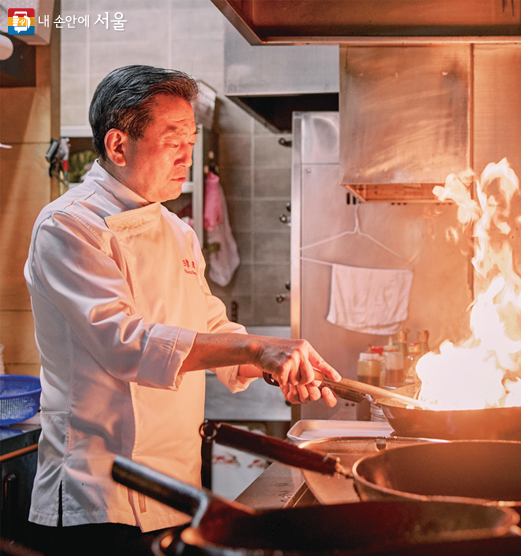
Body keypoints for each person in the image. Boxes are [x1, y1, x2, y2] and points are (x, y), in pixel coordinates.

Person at [23, 65, 340, 556]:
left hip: (173, 489)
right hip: (97, 499)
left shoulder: (177, 230)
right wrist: (259, 346)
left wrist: (272, 365)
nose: (187, 155)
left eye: (190, 140)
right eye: (173, 140)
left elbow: (208, 325)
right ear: (118, 145)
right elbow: (124, 343)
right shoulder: (68, 225)